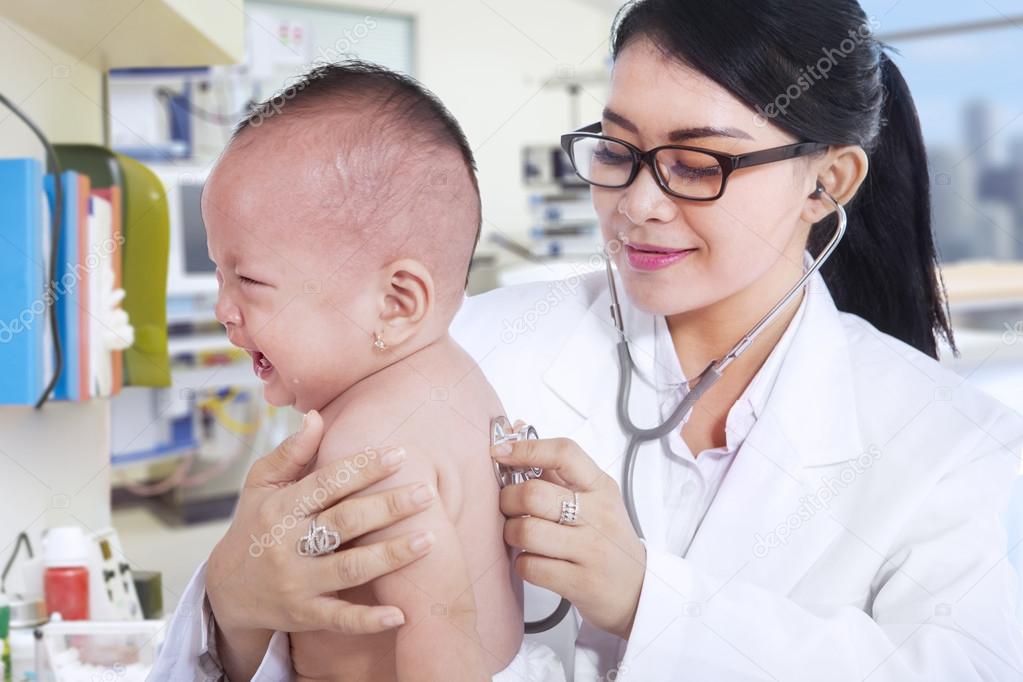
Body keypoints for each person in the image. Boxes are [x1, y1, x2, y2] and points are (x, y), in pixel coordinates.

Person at [154, 1, 1023, 680]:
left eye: (696, 163)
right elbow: (320, 647)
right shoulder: (451, 351)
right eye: (616, 150)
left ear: (825, 181)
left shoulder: (954, 446)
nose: (638, 204)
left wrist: (647, 599)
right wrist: (230, 610)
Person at [195, 61, 564, 682]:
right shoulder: (458, 381)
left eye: (250, 280)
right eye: (218, 273)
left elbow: (440, 630)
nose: (222, 310)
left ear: (396, 304)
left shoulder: (368, 445)